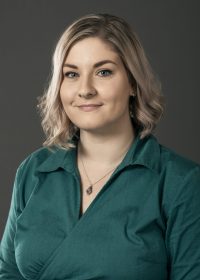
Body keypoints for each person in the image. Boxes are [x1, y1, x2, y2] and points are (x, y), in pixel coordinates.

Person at [0, 13, 200, 280]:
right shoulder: (33, 170)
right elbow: (8, 272)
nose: (85, 89)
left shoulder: (181, 182)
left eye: (103, 72)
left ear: (132, 82)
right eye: (71, 74)